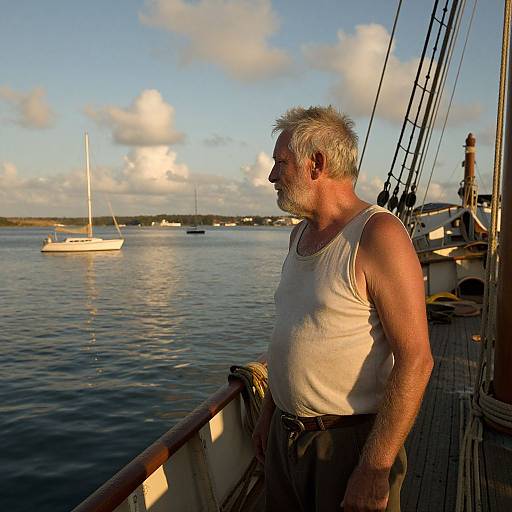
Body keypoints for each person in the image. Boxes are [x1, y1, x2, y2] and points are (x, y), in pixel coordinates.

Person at [252, 106, 433, 512]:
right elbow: (290, 330)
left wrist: (374, 467)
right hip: (287, 437)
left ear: (316, 163)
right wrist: (269, 414)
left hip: (346, 445)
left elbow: (416, 360)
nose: (272, 176)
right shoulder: (298, 235)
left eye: (281, 163)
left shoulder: (378, 235)